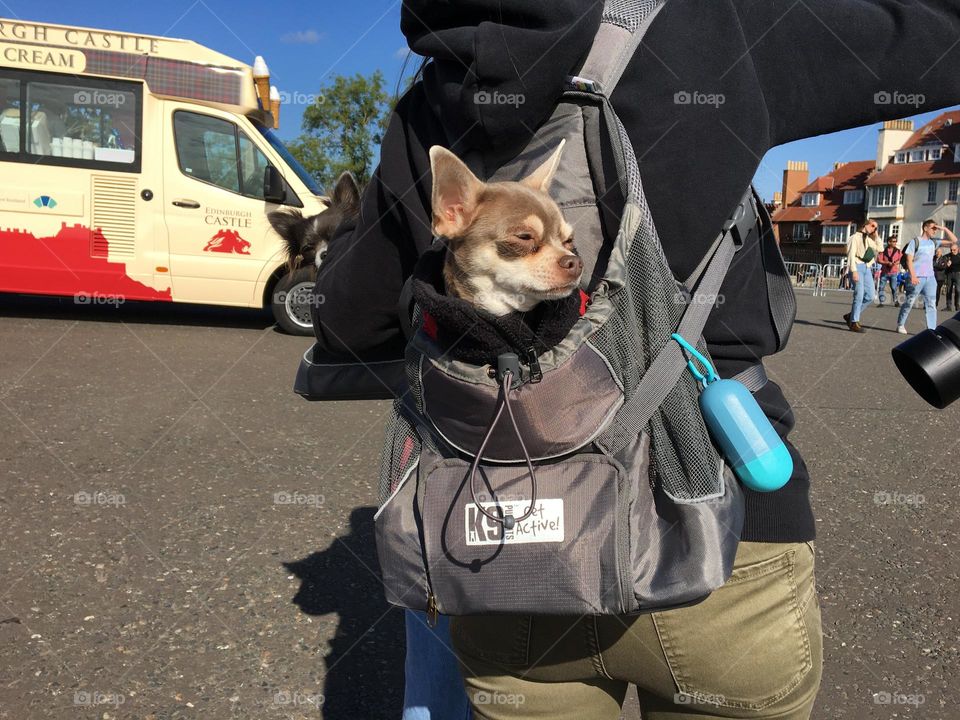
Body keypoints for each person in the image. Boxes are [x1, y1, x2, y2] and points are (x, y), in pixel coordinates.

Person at [312, 1, 960, 717]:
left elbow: (350, 321)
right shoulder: (725, 28)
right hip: (718, 530)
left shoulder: (438, 93)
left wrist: (351, 244)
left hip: (507, 556)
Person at [898, 220, 959, 334]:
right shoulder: (915, 241)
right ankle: (900, 324)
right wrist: (913, 275)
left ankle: (931, 329)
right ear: (925, 228)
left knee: (931, 303)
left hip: (930, 277)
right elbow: (909, 260)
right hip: (917, 276)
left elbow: (954, 241)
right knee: (909, 302)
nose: (935, 230)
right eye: (933, 228)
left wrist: (944, 229)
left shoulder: (934, 242)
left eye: (936, 229)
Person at [842, 219, 882, 332]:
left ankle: (851, 315)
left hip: (866, 267)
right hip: (857, 266)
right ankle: (854, 322)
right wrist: (853, 270)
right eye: (873, 226)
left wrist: (877, 235)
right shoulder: (854, 237)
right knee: (859, 295)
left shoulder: (868, 239)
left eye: (876, 227)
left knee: (870, 295)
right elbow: (850, 255)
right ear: (865, 225)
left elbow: (880, 248)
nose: (874, 228)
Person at [877, 236, 903, 307]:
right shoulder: (883, 251)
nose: (895, 243)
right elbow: (879, 260)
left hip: (893, 272)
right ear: (889, 242)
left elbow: (901, 259)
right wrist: (887, 263)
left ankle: (896, 301)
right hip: (884, 272)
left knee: (894, 287)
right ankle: (881, 302)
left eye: (895, 241)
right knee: (881, 287)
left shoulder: (898, 251)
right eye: (893, 241)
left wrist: (896, 263)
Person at [943, 242, 960, 311]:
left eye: (954, 250)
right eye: (951, 250)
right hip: (949, 274)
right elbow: (943, 264)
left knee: (958, 290)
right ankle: (948, 306)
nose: (952, 251)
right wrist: (946, 265)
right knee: (948, 290)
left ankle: (957, 305)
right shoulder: (947, 256)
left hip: (958, 274)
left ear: (958, 249)